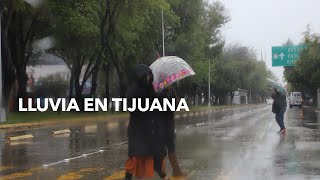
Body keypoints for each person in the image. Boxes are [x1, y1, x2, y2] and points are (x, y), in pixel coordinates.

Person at [125, 64, 167, 180]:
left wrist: (162, 94)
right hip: (139, 131)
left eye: (149, 74)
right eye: (146, 75)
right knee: (136, 159)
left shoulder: (149, 89)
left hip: (151, 131)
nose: (148, 77)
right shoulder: (134, 91)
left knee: (154, 157)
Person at [156, 85, 185, 177]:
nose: (171, 84)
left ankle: (176, 171)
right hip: (162, 126)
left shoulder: (171, 91)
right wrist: (176, 103)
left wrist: (177, 103)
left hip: (169, 125)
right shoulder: (159, 94)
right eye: (169, 83)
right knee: (163, 150)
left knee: (171, 147)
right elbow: (166, 109)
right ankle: (163, 174)